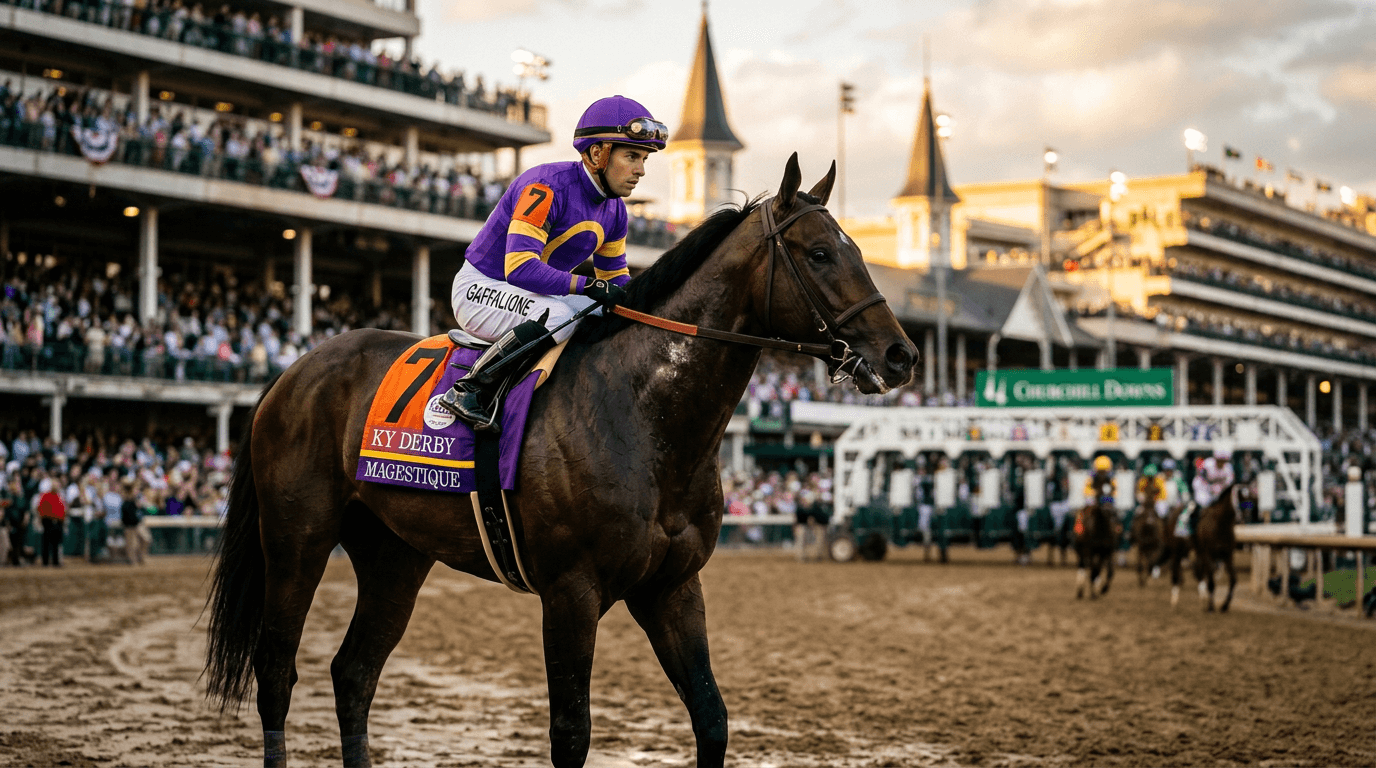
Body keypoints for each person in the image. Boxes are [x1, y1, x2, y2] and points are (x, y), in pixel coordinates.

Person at [436, 95, 667, 428]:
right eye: (632, 156)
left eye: (644, 159)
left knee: (605, 312)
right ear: (598, 154)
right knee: (560, 315)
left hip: (535, 294)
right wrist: (587, 285)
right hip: (481, 287)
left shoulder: (616, 210)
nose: (641, 170)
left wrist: (650, 307)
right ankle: (470, 388)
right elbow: (519, 268)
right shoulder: (545, 187)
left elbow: (616, 280)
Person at [36, 477, 66, 567]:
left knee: (56, 543)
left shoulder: (60, 496)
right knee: (46, 543)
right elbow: (41, 509)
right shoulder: (46, 496)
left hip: (58, 522)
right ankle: (45, 562)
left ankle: (55, 561)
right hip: (48, 521)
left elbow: (63, 510)